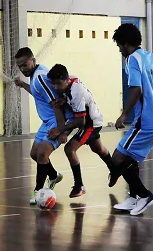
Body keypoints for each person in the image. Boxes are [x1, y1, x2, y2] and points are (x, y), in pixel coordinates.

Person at [108, 23, 153, 216]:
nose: (119, 50)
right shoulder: (152, 58)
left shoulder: (132, 59)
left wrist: (124, 114)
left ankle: (144, 195)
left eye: (119, 45)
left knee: (117, 158)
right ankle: (133, 197)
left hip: (148, 119)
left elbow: (137, 89)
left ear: (125, 44)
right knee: (130, 157)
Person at [46, 64, 115, 198]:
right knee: (98, 149)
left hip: (90, 124)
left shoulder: (76, 92)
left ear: (66, 80)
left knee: (69, 149)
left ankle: (79, 185)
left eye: (58, 84)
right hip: (91, 120)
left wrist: (60, 130)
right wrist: (63, 99)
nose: (55, 87)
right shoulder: (71, 81)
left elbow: (80, 122)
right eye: (53, 84)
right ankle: (115, 170)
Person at [14, 47, 69, 205]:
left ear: (33, 60)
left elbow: (56, 105)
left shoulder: (39, 77)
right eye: (20, 66)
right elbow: (38, 93)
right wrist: (23, 85)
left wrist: (61, 129)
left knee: (42, 155)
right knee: (34, 154)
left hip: (56, 120)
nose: (23, 68)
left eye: (25, 64)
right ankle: (53, 176)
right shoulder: (35, 75)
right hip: (47, 121)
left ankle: (38, 191)